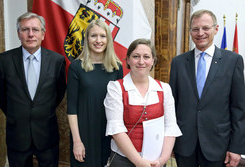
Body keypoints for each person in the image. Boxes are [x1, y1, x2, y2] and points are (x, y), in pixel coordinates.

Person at [169, 9, 245, 167]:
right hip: (184, 145)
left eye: (205, 28)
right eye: (195, 29)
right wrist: (169, 142)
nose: (200, 33)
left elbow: (239, 109)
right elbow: (172, 106)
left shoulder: (233, 61)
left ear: (216, 29)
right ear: (190, 32)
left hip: (219, 146)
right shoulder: (178, 63)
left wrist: (236, 147)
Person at [0, 12, 66, 166]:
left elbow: (59, 92)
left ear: (43, 34)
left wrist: (42, 110)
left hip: (47, 135)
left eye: (35, 29)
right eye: (25, 29)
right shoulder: (3, 61)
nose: (31, 34)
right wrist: (16, 111)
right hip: (17, 135)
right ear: (18, 34)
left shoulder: (57, 61)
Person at [104, 38, 182, 167]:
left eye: (146, 57)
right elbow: (116, 129)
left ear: (153, 61)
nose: (141, 62)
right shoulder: (116, 88)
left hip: (155, 161)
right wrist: (139, 162)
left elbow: (170, 128)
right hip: (123, 160)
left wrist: (162, 160)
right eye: (136, 56)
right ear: (128, 60)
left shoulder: (164, 89)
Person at [67, 19, 123, 167]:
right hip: (84, 134)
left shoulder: (117, 68)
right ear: (87, 39)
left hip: (109, 134)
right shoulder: (76, 67)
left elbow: (120, 106)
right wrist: (77, 141)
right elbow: (71, 108)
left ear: (108, 40)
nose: (98, 40)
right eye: (93, 36)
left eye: (103, 36)